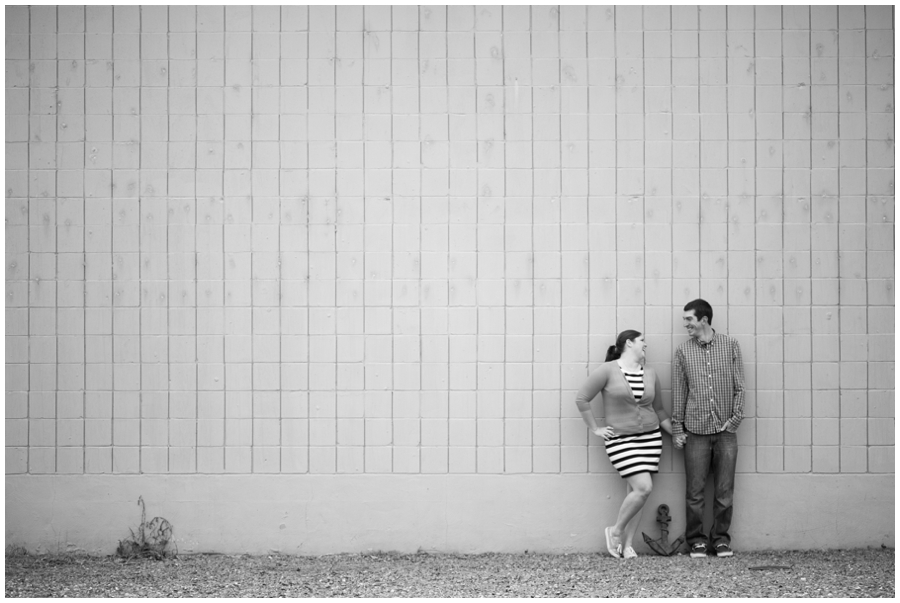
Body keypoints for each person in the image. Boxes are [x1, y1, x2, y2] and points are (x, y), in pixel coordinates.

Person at [574, 330, 677, 559]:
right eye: (642, 341)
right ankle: (616, 531)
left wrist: (677, 434)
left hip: (650, 439)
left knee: (637, 493)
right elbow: (582, 398)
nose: (646, 345)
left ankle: (627, 545)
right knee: (644, 487)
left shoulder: (650, 372)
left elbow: (659, 410)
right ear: (629, 343)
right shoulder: (608, 370)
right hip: (620, 439)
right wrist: (595, 428)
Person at [672, 299, 744, 559]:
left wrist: (735, 419)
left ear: (704, 319)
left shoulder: (731, 345)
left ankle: (721, 540)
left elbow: (740, 387)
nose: (685, 324)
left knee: (725, 491)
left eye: (689, 319)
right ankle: (697, 541)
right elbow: (679, 393)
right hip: (696, 432)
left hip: (726, 432)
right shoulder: (682, 352)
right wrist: (678, 429)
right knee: (695, 491)